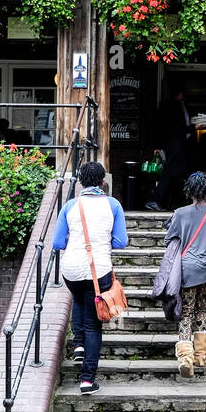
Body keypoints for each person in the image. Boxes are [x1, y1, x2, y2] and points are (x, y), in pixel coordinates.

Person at [52, 160, 129, 394]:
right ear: (103, 181)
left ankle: (78, 345)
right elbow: (121, 242)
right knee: (94, 325)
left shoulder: (70, 206)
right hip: (100, 270)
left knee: (78, 300)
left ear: (81, 182)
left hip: (72, 270)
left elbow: (57, 243)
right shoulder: (113, 205)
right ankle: (87, 380)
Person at [163, 170, 206, 378]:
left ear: (189, 191)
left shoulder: (179, 213)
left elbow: (169, 240)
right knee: (202, 309)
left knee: (186, 311)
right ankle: (201, 356)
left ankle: (186, 358)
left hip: (188, 269)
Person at [146, 88, 193, 211]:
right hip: (174, 147)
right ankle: (155, 200)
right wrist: (194, 128)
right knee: (172, 175)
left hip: (174, 147)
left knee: (176, 175)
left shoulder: (173, 107)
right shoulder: (173, 108)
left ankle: (175, 202)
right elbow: (177, 129)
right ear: (179, 94)